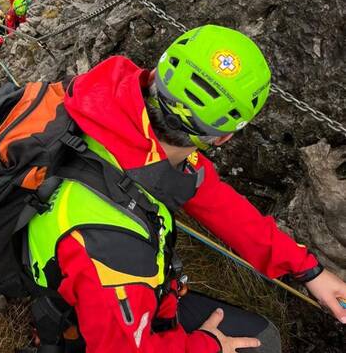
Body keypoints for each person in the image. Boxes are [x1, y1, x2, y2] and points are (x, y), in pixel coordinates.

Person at [24, 25, 346, 352]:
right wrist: (208, 346)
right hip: (94, 321)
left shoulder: (120, 119)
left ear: (153, 78)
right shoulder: (115, 252)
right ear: (223, 137)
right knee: (263, 344)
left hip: (117, 295)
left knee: (263, 336)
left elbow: (221, 206)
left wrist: (308, 270)